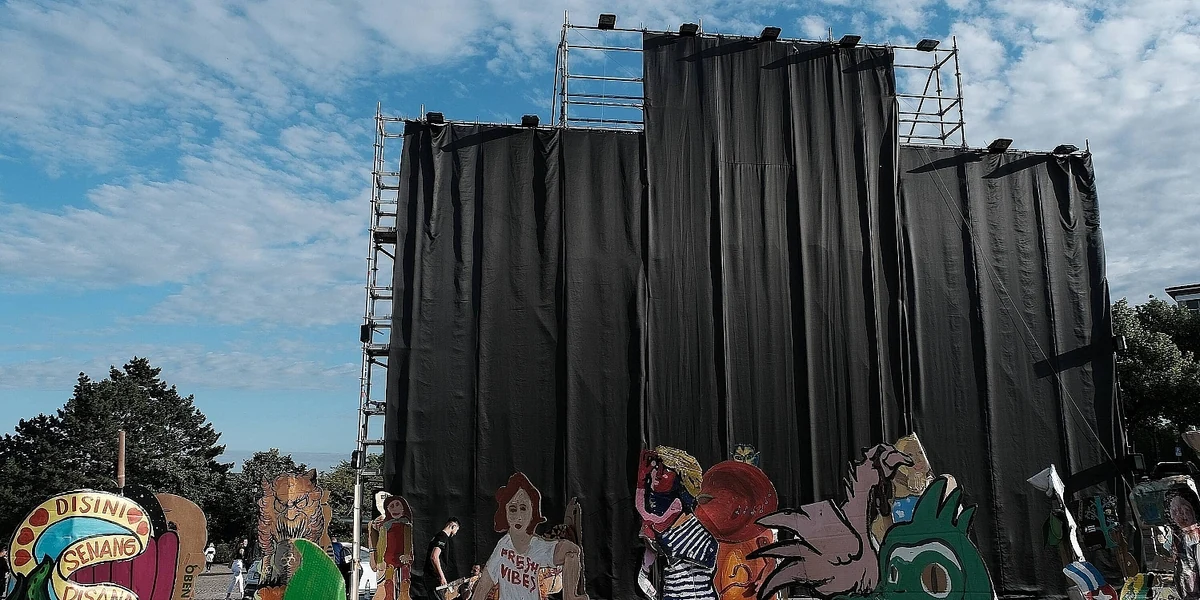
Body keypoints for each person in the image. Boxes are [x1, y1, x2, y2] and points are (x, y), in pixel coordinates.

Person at [474, 473, 587, 600]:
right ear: (505, 512)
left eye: (523, 508)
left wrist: (570, 595)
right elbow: (483, 586)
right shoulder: (503, 548)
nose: (519, 517)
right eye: (513, 509)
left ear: (532, 513)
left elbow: (572, 551)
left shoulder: (537, 546)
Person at [422, 518, 460, 598]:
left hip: (431, 576)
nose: (456, 533)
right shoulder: (442, 537)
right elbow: (434, 557)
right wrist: (441, 577)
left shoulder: (438, 536)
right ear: (453, 526)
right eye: (457, 529)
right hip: (433, 577)